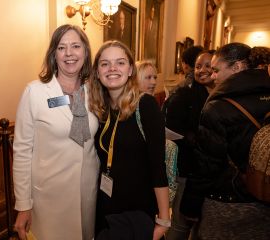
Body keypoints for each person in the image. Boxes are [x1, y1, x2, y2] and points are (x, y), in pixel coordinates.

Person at [13, 24, 100, 240]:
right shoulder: (35, 92)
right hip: (48, 199)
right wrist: (23, 204)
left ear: (86, 52)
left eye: (76, 46)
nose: (69, 53)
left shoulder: (95, 92)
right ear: (54, 54)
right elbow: (22, 151)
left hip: (87, 196)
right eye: (62, 48)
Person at [181, 42, 270, 239]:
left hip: (226, 203)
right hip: (264, 199)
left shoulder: (218, 107)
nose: (213, 76)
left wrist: (190, 207)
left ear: (237, 67)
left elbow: (205, 165)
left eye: (216, 70)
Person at [88, 40, 170, 240]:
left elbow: (158, 167)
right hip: (106, 206)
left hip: (137, 210)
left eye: (120, 62)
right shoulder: (99, 109)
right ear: (97, 72)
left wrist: (164, 219)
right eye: (105, 63)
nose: (112, 68)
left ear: (131, 69)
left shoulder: (146, 105)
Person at [164, 50, 215, 240]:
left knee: (203, 225)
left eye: (207, 66)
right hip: (187, 169)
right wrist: (193, 138)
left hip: (212, 173)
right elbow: (171, 129)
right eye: (198, 66)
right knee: (180, 223)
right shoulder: (184, 94)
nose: (202, 70)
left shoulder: (223, 95)